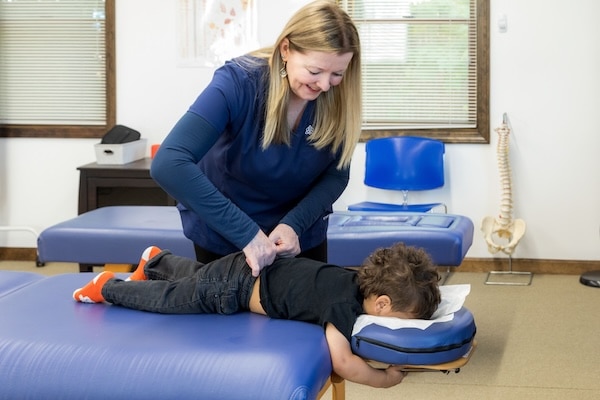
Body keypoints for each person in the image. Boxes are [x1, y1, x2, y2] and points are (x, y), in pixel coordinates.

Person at [150, 0, 362, 276]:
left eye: (337, 74)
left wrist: (294, 225)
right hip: (227, 232)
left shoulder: (340, 96)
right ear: (286, 49)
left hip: (297, 235)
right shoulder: (238, 83)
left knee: (305, 313)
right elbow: (168, 163)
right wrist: (246, 233)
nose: (324, 85)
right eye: (314, 71)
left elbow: (336, 175)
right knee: (228, 317)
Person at [73, 242, 441, 389]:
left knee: (196, 275)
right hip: (231, 291)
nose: (402, 327)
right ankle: (107, 287)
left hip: (246, 267)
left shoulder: (351, 280)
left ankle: (155, 260)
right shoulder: (344, 309)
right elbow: (343, 361)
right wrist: (385, 379)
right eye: (404, 319)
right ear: (380, 304)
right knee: (172, 299)